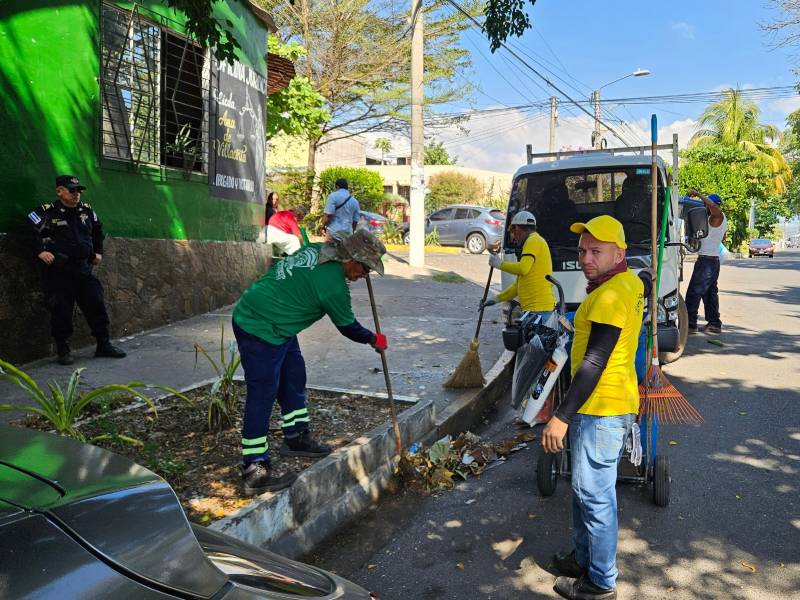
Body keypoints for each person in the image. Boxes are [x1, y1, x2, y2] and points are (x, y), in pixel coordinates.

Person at [232, 229, 388, 494]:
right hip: (258, 325)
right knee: (262, 394)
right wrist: (373, 339)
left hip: (280, 325)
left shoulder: (317, 250)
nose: (365, 275)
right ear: (351, 258)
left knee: (294, 375)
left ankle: (296, 436)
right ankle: (254, 470)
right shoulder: (333, 287)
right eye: (365, 268)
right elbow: (348, 326)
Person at [541, 215, 647, 600]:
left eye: (596, 251)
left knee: (595, 497)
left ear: (620, 253)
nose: (586, 257)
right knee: (584, 492)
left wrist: (561, 417)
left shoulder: (610, 295)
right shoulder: (628, 282)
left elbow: (594, 363)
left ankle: (600, 583)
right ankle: (583, 558)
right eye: (583, 250)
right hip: (609, 402)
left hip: (600, 407)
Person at [21, 175, 127, 365]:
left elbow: (97, 231)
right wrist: (40, 251)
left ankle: (103, 344)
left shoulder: (86, 211)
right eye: (71, 190)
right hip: (59, 272)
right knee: (61, 310)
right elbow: (26, 230)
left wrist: (98, 252)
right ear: (59, 191)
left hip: (84, 269)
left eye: (78, 190)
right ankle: (63, 349)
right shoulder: (48, 212)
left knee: (96, 305)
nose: (76, 193)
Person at [481, 210, 556, 316]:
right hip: (536, 309)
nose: (513, 235)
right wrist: (495, 299)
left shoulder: (533, 241)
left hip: (539, 310)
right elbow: (517, 288)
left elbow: (523, 269)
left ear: (517, 228)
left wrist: (499, 264)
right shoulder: (533, 242)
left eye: (512, 231)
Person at [684, 189, 727, 334]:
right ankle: (714, 323)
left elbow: (714, 208)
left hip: (707, 262)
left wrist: (698, 194)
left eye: (706, 204)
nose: (705, 206)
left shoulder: (718, 216)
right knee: (709, 294)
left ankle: (690, 325)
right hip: (712, 261)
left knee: (693, 293)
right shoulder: (714, 220)